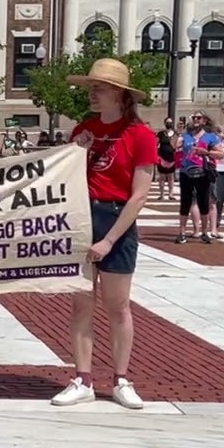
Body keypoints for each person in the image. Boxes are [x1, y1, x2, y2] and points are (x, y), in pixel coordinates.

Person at [53, 58, 158, 410]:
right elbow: (65, 179)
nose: (92, 93)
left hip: (118, 220)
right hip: (84, 215)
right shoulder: (84, 129)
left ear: (118, 93)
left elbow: (139, 194)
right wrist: (76, 151)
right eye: (91, 87)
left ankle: (121, 378)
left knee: (119, 305)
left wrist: (110, 239)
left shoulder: (140, 135)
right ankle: (82, 378)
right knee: (81, 303)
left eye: (98, 88)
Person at [173, 112, 222, 244]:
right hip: (186, 172)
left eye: (198, 117)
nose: (195, 120)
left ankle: (204, 232)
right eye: (193, 117)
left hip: (203, 172)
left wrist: (206, 152)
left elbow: (221, 154)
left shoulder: (211, 137)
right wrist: (178, 132)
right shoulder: (186, 136)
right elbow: (174, 146)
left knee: (203, 201)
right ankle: (182, 232)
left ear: (204, 121)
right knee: (185, 202)